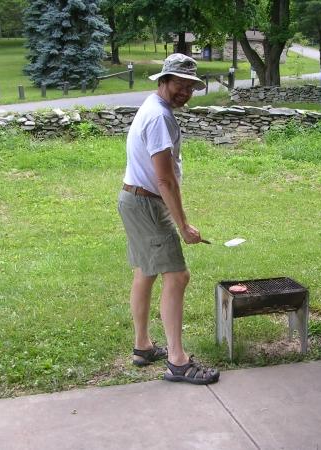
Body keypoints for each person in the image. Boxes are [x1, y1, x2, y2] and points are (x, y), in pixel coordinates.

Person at [117, 53, 220, 385]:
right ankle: (178, 361)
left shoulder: (152, 107)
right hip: (146, 203)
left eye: (191, 87)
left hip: (134, 199)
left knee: (145, 272)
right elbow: (165, 180)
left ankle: (143, 346)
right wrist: (183, 225)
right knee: (177, 276)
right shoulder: (160, 118)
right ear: (163, 80)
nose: (185, 92)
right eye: (180, 84)